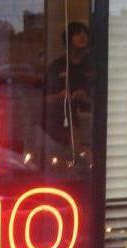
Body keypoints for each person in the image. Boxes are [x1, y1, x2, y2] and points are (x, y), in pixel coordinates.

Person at [43, 21, 93, 168]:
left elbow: (107, 98)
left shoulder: (95, 65)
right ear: (69, 38)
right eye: (78, 33)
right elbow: (43, 99)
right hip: (62, 123)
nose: (82, 36)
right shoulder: (57, 66)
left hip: (92, 123)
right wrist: (61, 97)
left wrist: (87, 99)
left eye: (85, 33)